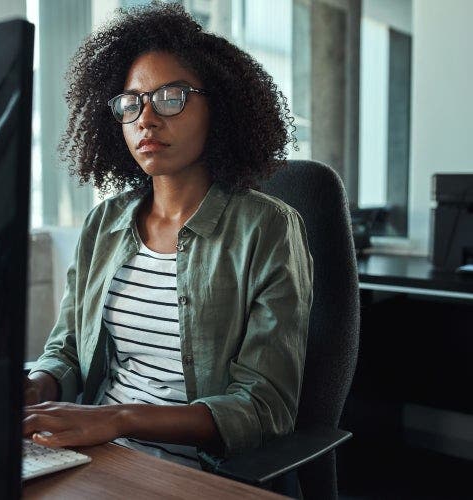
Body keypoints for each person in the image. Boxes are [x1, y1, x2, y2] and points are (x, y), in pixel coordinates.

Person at [23, 2, 313, 469]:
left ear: (218, 106)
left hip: (191, 470)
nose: (147, 119)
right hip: (89, 453)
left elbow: (264, 406)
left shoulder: (268, 228)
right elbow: (69, 349)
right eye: (131, 103)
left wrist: (120, 419)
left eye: (170, 97)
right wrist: (36, 387)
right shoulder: (104, 224)